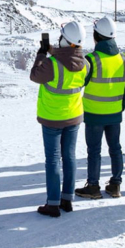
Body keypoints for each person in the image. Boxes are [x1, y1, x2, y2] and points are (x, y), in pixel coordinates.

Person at [30, 21, 89, 217]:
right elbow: (69, 59)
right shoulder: (86, 64)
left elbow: (34, 75)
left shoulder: (50, 64)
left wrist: (41, 54)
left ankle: (52, 204)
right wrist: (54, 51)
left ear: (65, 39)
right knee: (70, 157)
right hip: (73, 116)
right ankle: (67, 199)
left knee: (53, 160)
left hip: (52, 118)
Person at [75, 17, 125, 200]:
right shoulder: (124, 59)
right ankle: (115, 185)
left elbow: (80, 83)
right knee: (115, 149)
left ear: (96, 36)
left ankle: (93, 187)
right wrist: (119, 108)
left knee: (94, 151)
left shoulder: (91, 59)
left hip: (93, 114)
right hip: (114, 113)